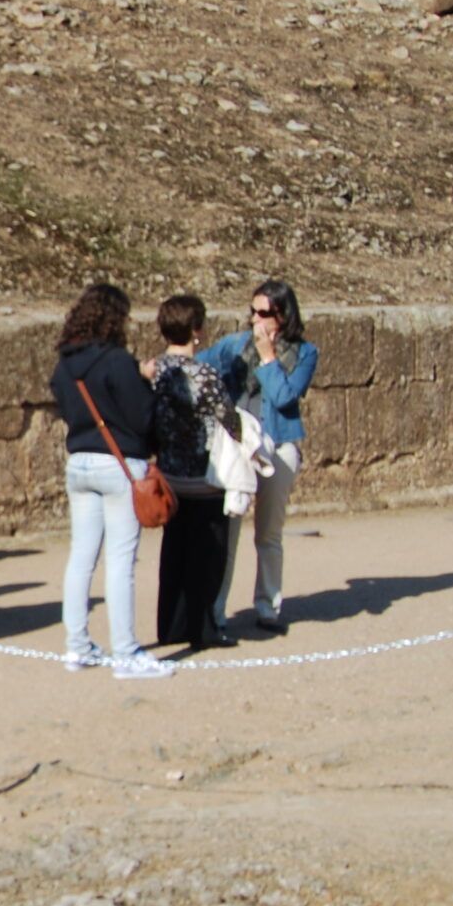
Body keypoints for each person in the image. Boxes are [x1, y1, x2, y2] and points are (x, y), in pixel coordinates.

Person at [49, 283, 173, 681]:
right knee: (121, 559)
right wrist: (148, 383)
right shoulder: (118, 361)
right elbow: (142, 417)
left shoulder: (63, 365)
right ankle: (125, 651)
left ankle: (77, 645)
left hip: (80, 460)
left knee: (81, 556)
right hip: (119, 463)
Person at [200, 278, 316, 635]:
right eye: (252, 311)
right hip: (240, 445)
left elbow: (284, 397)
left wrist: (268, 358)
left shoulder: (305, 353)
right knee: (228, 528)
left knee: (268, 533)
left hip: (279, 444)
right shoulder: (235, 345)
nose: (256, 319)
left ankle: (268, 606)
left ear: (283, 314)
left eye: (264, 312)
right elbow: (200, 364)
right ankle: (215, 612)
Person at [149, 296, 235, 651]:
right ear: (196, 331)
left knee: (174, 554)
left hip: (169, 475)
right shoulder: (205, 374)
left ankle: (171, 625)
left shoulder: (154, 372)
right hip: (204, 477)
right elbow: (227, 417)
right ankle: (204, 629)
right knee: (208, 554)